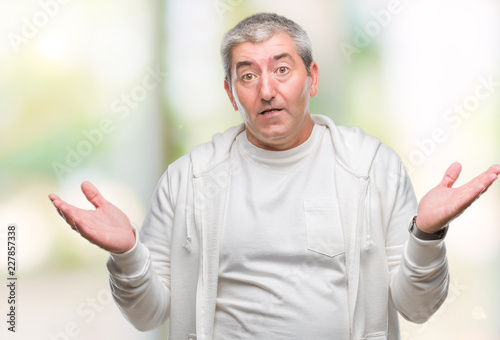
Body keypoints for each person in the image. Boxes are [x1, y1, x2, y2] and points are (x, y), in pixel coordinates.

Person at [49, 13, 500, 340]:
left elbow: (417, 308)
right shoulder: (186, 180)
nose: (267, 89)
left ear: (312, 78)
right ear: (231, 93)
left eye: (282, 69)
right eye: (248, 75)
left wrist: (427, 233)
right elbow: (150, 316)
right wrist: (128, 254)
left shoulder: (372, 167)